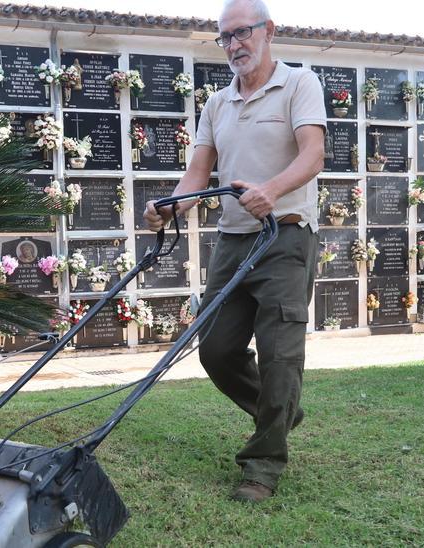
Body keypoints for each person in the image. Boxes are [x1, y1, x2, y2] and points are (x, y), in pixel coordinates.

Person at [143, 0, 326, 503]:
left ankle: (263, 464)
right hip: (233, 239)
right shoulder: (217, 104)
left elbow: (313, 154)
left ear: (268, 31)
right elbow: (199, 173)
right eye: (225, 37)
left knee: (279, 355)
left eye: (242, 33)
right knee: (216, 350)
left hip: (285, 236)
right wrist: (169, 208)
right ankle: (281, 412)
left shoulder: (298, 84)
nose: (233, 45)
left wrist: (272, 189)